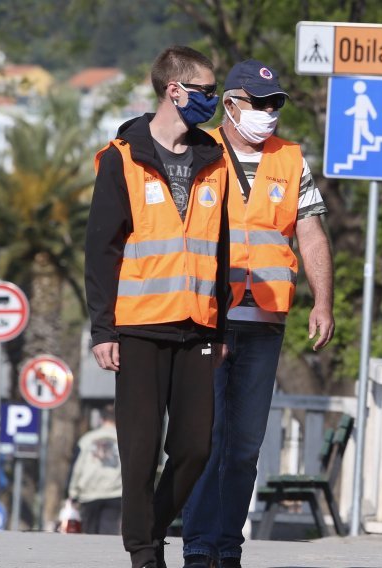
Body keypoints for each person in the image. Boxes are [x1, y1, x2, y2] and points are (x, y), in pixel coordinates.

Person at [181, 59, 335, 568]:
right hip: (207, 317)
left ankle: (227, 545)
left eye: (276, 104)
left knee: (245, 445)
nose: (269, 113)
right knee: (208, 436)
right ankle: (199, 542)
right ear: (230, 104)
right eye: (260, 103)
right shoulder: (200, 151)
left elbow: (310, 232)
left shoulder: (291, 159)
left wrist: (323, 302)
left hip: (266, 321)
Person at [85, 45, 230, 568]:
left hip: (197, 327)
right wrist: (102, 330)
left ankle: (147, 526)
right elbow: (102, 249)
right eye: (207, 91)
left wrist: (224, 327)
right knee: (141, 452)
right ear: (176, 90)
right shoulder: (122, 158)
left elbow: (222, 248)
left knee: (194, 448)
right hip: (139, 328)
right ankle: (145, 555)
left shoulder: (214, 158)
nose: (212, 101)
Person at [67, 405, 122, 535]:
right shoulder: (124, 439)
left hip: (89, 492)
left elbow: (78, 468)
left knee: (89, 532)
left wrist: (73, 492)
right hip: (115, 492)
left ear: (101, 419)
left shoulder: (87, 439)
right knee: (109, 530)